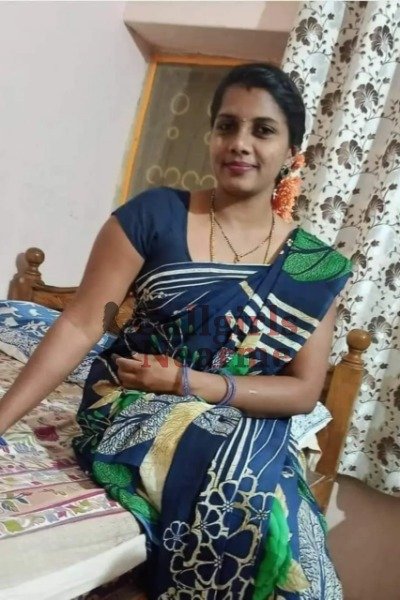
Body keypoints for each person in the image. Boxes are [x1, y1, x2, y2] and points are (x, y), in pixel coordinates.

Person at [0, 63, 352, 599]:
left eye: (262, 130)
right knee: (241, 492)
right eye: (227, 126)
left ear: (292, 152)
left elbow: (303, 391)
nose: (239, 143)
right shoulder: (154, 215)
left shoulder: (312, 267)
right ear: (210, 135)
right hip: (131, 406)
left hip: (242, 419)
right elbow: (78, 323)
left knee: (287, 516)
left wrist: (187, 382)